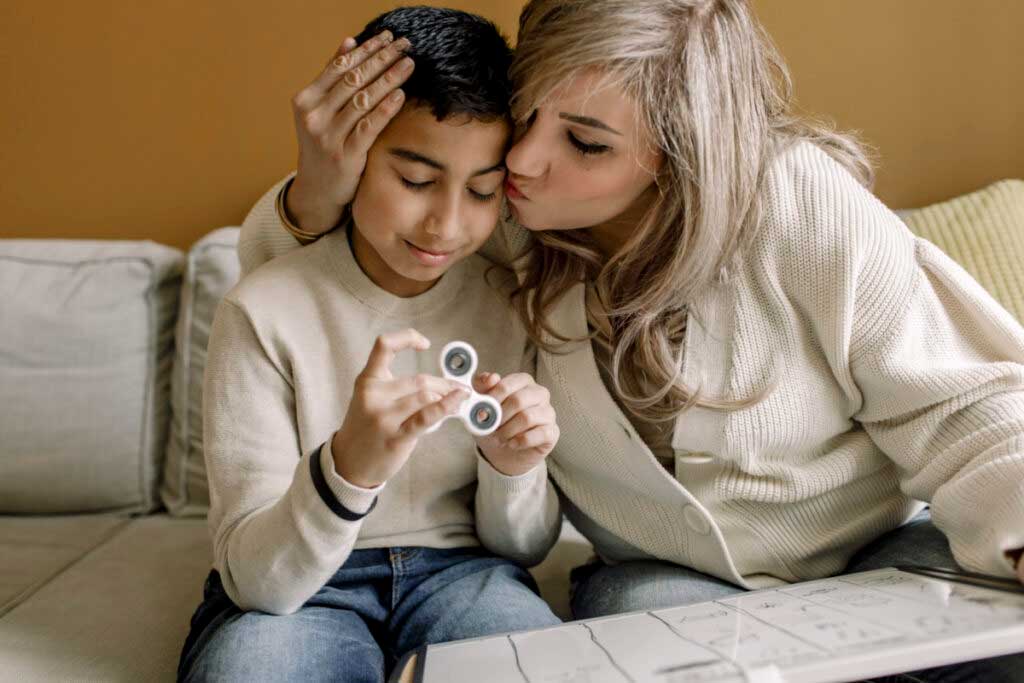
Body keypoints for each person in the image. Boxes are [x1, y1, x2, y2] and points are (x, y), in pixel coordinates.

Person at [239, 0, 1024, 679]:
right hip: (662, 581)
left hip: (871, 557)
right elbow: (316, 301)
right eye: (528, 111)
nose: (522, 159)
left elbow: (964, 407)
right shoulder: (499, 217)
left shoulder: (795, 197)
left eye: (586, 143)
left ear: (682, 153)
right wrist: (318, 184)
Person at [176, 7, 563, 683]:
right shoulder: (263, 312)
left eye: (481, 190)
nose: (446, 224)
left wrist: (511, 466)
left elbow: (524, 546)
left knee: (553, 667)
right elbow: (257, 581)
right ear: (351, 159)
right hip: (303, 588)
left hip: (464, 574)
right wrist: (348, 467)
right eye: (415, 181)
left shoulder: (509, 297)